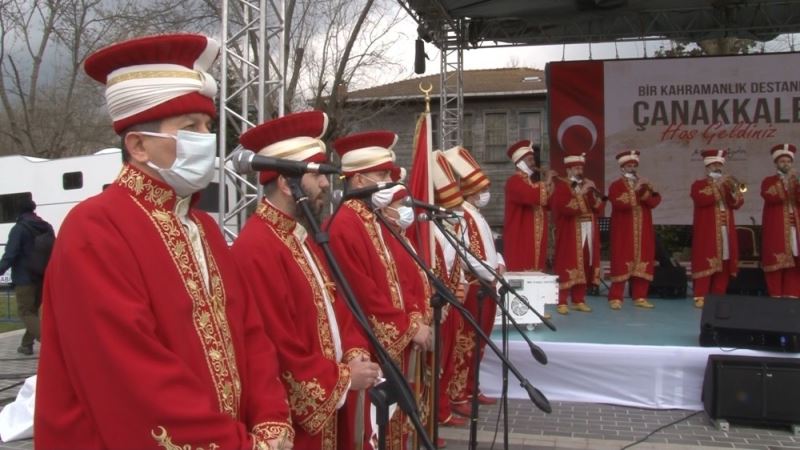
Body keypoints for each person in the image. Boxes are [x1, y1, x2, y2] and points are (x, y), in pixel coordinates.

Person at [34, 34, 293, 449]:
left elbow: (249, 331)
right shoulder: (94, 230)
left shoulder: (204, 227)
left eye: (208, 126)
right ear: (137, 145)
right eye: (190, 128)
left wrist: (271, 420)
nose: (206, 139)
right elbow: (131, 375)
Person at [230, 111, 380, 449]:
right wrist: (343, 380)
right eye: (317, 175)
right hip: (296, 426)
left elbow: (339, 305)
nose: (327, 184)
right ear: (287, 184)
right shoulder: (256, 247)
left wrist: (355, 353)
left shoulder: (303, 237)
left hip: (333, 405)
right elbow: (277, 345)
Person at [328, 131, 432, 450]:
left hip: (392, 346)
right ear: (359, 180)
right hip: (371, 346)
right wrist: (408, 328)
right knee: (375, 431)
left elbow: (403, 278)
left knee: (394, 427)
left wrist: (415, 316)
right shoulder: (344, 224)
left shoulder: (374, 221)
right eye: (383, 174)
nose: (390, 181)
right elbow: (362, 293)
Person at [443, 145, 505, 415]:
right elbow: (466, 254)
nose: (485, 195)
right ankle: (457, 395)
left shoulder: (476, 215)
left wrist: (500, 263)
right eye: (481, 190)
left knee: (479, 342)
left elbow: (490, 248)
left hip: (488, 284)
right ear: (469, 191)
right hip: (475, 287)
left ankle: (471, 386)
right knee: (467, 343)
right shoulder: (461, 215)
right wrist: (489, 271)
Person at [549, 153, 604, 315]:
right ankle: (562, 300)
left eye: (581, 167)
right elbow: (566, 208)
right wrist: (581, 193)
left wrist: (595, 193)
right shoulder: (562, 187)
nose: (580, 170)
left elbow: (596, 208)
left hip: (588, 227)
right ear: (569, 170)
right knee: (568, 262)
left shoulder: (585, 185)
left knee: (586, 261)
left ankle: (579, 299)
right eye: (576, 168)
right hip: (570, 229)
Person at [607, 150, 661, 310]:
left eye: (634, 165)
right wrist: (635, 190)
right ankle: (616, 297)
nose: (632, 168)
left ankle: (640, 296)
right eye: (628, 166)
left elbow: (654, 202)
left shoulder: (643, 185)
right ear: (622, 168)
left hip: (643, 228)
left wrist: (649, 190)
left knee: (643, 260)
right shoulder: (616, 185)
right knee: (622, 259)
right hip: (624, 230)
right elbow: (619, 203)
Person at [691, 149, 744, 308]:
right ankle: (700, 295)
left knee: (725, 261)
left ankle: (718, 294)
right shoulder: (698, 184)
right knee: (706, 260)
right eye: (714, 164)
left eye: (719, 164)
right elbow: (701, 200)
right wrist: (718, 186)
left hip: (725, 230)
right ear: (708, 166)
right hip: (707, 231)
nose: (717, 167)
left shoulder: (727, 184)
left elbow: (737, 203)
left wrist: (735, 190)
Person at [0, 198, 52, 355]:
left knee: (25, 312)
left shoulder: (19, 229)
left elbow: (10, 254)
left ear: (19, 211)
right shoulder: (46, 226)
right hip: (42, 276)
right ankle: (26, 345)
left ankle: (50, 341)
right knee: (33, 311)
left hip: (25, 278)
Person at [503, 140, 554, 272]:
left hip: (534, 239)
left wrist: (550, 186)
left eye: (533, 160)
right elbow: (531, 196)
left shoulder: (531, 183)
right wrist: (547, 182)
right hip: (521, 238)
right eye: (530, 160)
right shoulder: (513, 181)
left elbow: (546, 202)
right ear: (520, 162)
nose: (533, 164)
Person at [760, 143, 800, 298]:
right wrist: (785, 183)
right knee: (776, 263)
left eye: (789, 161)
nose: (786, 164)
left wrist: (795, 183)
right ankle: (775, 295)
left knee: (795, 263)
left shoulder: (797, 180)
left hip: (795, 228)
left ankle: (793, 294)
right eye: (783, 161)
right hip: (777, 228)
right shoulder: (768, 181)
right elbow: (771, 197)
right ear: (776, 163)